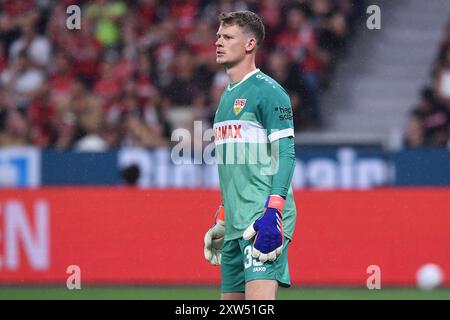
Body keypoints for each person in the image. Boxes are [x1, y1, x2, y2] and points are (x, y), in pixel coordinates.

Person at [203, 11, 297, 300]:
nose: (218, 41)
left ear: (249, 44)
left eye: (228, 37)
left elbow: (286, 153)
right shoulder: (226, 98)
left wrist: (274, 212)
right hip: (236, 224)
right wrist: (225, 216)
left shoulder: (269, 92)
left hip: (262, 218)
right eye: (218, 35)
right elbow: (237, 166)